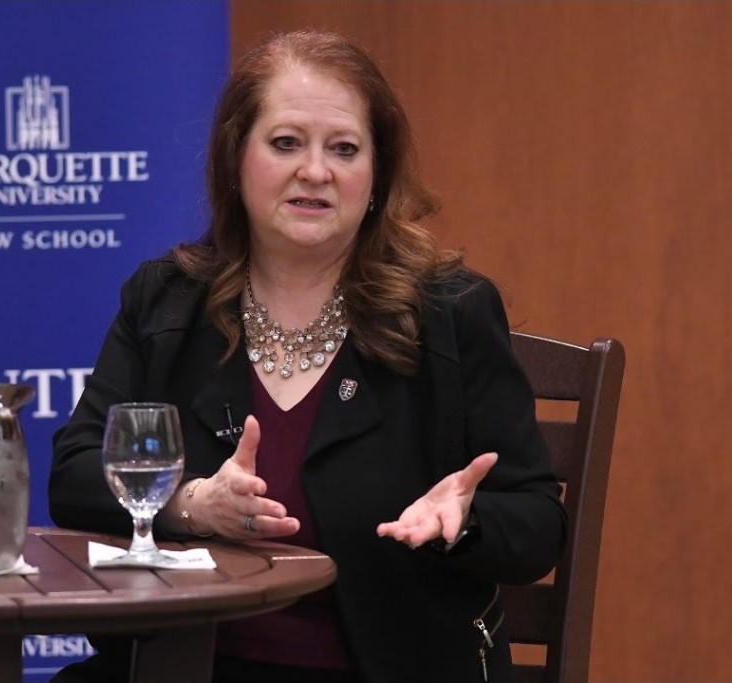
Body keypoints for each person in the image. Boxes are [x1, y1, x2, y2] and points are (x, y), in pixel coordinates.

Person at [48, 29, 566, 683]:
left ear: (376, 174)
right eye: (286, 142)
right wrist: (189, 503)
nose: (315, 171)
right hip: (187, 665)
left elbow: (537, 522)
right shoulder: (168, 303)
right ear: (238, 159)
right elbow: (73, 475)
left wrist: (465, 520)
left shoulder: (450, 313)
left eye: (344, 149)